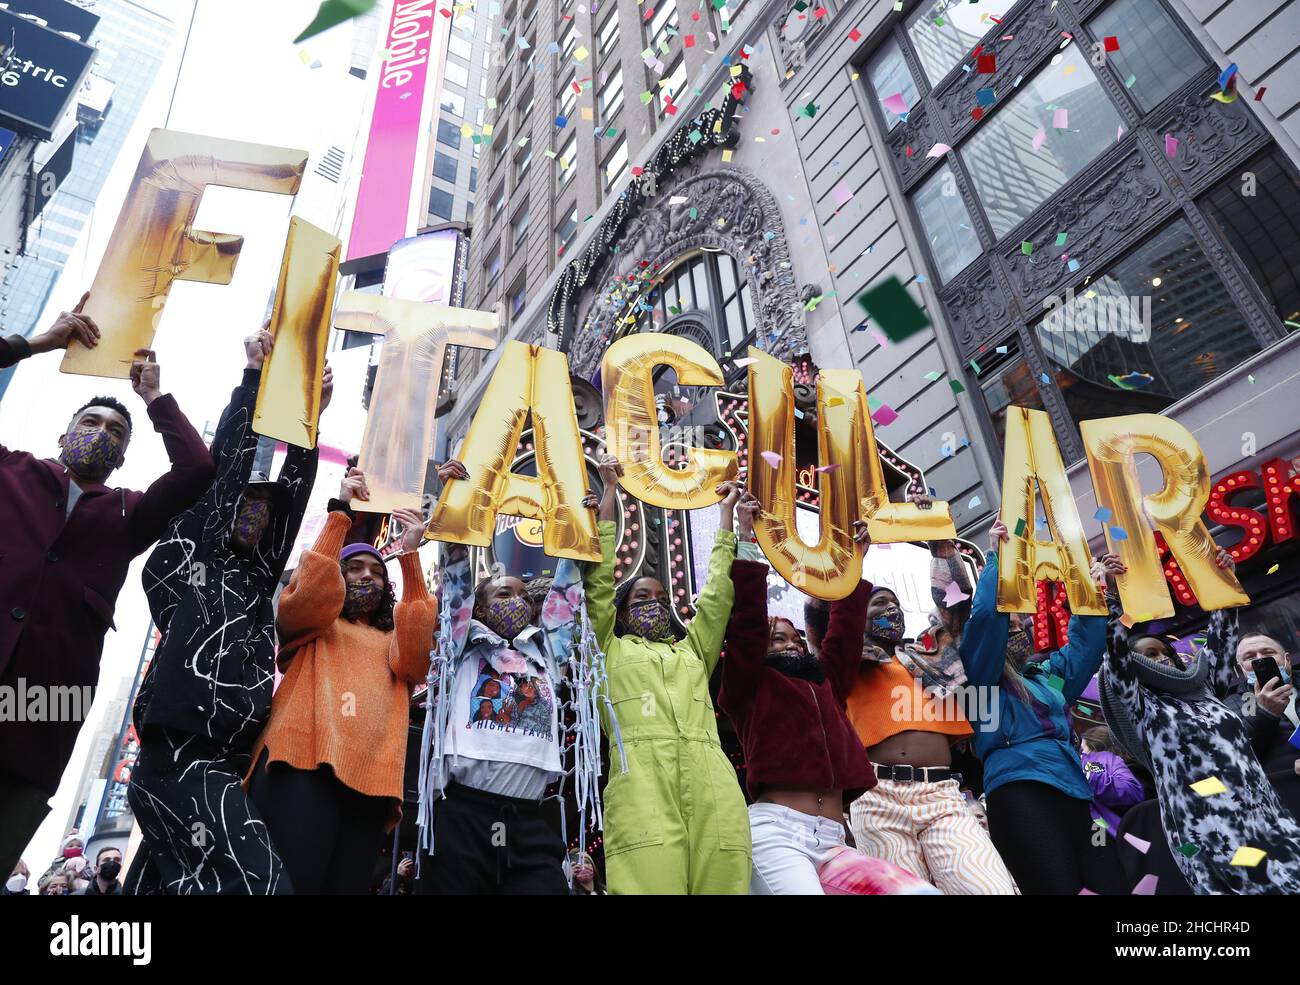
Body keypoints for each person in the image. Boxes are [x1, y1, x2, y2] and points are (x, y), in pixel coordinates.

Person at [0, 295, 214, 878]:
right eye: (90, 422)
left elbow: (196, 470)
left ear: (121, 456)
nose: (100, 432)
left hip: (46, 704)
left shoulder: (127, 513)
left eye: (114, 431)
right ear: (65, 433)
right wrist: (39, 344)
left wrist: (153, 398)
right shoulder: (12, 471)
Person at [125, 329, 329, 895]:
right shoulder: (192, 561)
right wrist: (254, 381)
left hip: (232, 756)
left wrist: (309, 423)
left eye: (265, 514)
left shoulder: (259, 581)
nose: (255, 517)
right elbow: (227, 475)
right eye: (246, 506)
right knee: (256, 885)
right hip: (179, 750)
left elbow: (294, 489)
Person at [245, 467, 438, 894]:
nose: (368, 574)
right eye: (353, 568)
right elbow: (307, 592)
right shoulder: (315, 624)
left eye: (376, 570)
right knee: (289, 885)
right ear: (337, 575)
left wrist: (409, 557)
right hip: (299, 767)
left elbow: (419, 658)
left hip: (371, 782)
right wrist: (340, 514)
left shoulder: (391, 639)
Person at [584, 454, 750, 894]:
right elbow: (597, 586)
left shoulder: (693, 652)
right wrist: (610, 492)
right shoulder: (606, 649)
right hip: (641, 789)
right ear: (620, 612)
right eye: (640, 597)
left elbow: (718, 595)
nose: (654, 604)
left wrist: (726, 516)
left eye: (660, 598)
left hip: (714, 785)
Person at [836, 497, 1017, 895]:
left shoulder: (932, 651)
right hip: (876, 797)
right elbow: (829, 622)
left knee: (990, 889)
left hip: (942, 795)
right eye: (879, 603)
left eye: (895, 603)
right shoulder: (846, 662)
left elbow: (955, 604)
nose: (891, 609)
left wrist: (940, 539)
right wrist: (855, 563)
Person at [418, 459, 582, 895]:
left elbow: (568, 587)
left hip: (529, 820)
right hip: (462, 817)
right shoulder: (460, 647)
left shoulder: (547, 652)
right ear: (481, 607)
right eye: (502, 593)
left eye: (523, 596)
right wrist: (448, 498)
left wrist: (584, 515)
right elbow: (454, 582)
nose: (516, 601)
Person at [1098, 548, 1300, 894]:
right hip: (1212, 829)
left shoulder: (1206, 689)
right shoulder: (1144, 708)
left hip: (1265, 816)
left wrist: (1223, 576)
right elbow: (1115, 657)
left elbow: (1222, 633)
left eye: (1165, 650)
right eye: (1148, 655)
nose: (1161, 657)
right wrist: (1114, 598)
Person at [720, 492, 882, 893]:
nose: (791, 645)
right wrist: (746, 536)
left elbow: (844, 633)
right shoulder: (747, 686)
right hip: (776, 836)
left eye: (795, 639)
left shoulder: (825, 682)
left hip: (834, 840)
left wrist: (854, 562)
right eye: (777, 639)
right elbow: (747, 622)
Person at [959, 519, 1127, 894]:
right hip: (1021, 794)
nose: (1022, 622)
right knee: (1057, 888)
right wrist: (996, 559)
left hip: (1076, 793)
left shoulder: (1047, 677)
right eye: (1014, 617)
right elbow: (987, 617)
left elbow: (1085, 646)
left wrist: (1094, 588)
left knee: (1112, 882)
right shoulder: (981, 679)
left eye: (1024, 616)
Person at [1227, 632, 1298, 774]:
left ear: (1287, 659)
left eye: (1268, 652)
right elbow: (1235, 758)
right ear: (1242, 669)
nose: (1260, 659)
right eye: (1250, 657)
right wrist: (1265, 713)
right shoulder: (1229, 707)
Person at [1079, 726, 1144, 842]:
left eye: (1083, 750)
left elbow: (1130, 792)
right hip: (1131, 839)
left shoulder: (1094, 764)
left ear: (1094, 749)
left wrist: (1088, 768)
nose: (1082, 755)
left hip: (1115, 839)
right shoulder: (1136, 768)